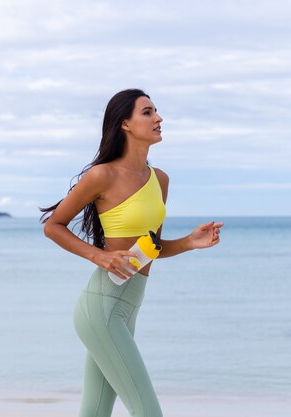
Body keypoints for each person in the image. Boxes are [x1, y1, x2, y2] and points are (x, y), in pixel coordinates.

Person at [40, 88, 224, 417]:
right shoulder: (102, 175)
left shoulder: (161, 179)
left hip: (128, 307)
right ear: (125, 124)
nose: (159, 118)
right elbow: (54, 225)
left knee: (94, 411)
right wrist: (100, 256)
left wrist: (189, 242)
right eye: (148, 112)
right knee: (148, 411)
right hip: (102, 307)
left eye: (156, 111)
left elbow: (152, 247)